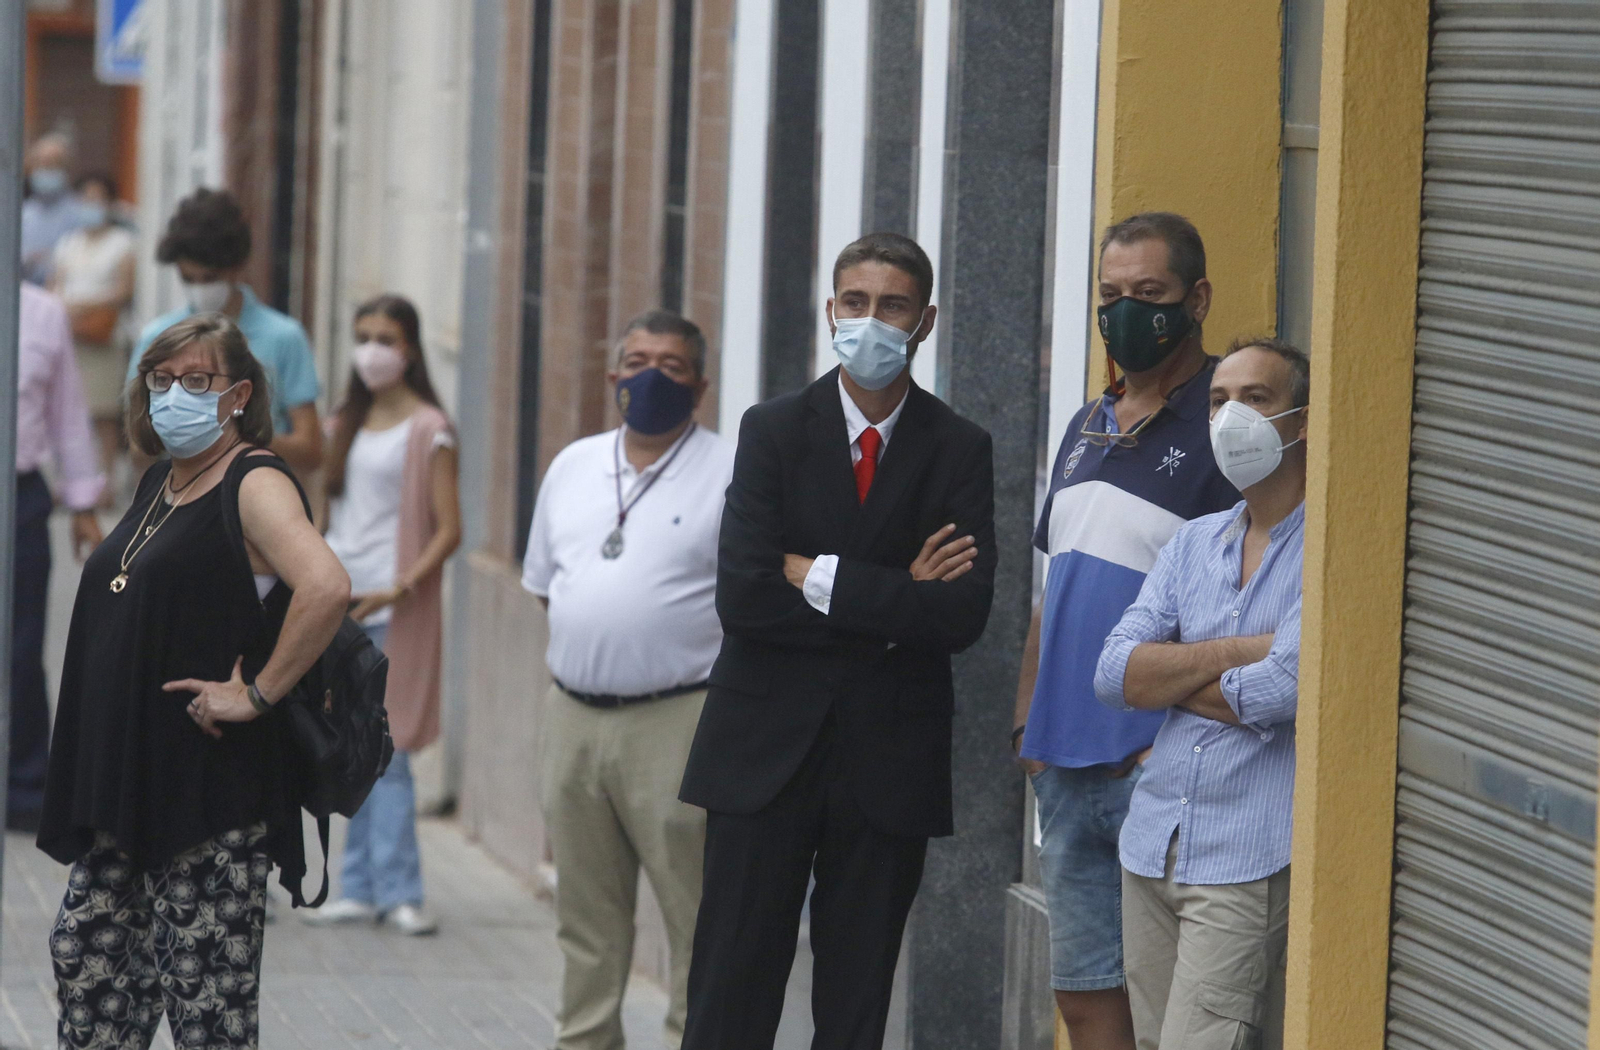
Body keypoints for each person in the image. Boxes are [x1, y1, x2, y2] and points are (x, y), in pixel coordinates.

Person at [678, 232, 996, 1050]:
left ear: (925, 321)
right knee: (730, 988)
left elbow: (960, 615)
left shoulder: (960, 447)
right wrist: (895, 600)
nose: (871, 321)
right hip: (761, 751)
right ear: (830, 311)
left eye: (893, 306)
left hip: (887, 761)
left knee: (856, 1003)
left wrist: (815, 574)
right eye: (856, 302)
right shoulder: (773, 430)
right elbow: (745, 597)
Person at [39, 313, 350, 1050]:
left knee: (208, 1015)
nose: (175, 393)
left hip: (204, 800)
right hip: (124, 792)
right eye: (162, 379)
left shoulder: (253, 480)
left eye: (198, 380)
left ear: (238, 395)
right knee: (88, 972)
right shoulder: (162, 479)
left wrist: (257, 693)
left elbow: (327, 586)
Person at [1010, 212, 1240, 1049]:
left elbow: (1248, 597)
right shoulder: (1086, 426)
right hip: (1063, 767)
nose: (1126, 312)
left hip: (1157, 766)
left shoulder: (1227, 428)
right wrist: (1026, 728)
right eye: (1111, 295)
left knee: (1166, 1007)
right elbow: (1056, 586)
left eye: (1150, 292)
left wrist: (1158, 746)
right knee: (1086, 1001)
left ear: (1197, 300)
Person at [521, 309, 734, 1050]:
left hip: (677, 719)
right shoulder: (573, 466)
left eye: (671, 367)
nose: (650, 378)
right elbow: (547, 586)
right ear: (612, 377)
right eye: (637, 362)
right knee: (585, 918)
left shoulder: (730, 471)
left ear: (700, 387)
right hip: (573, 716)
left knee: (694, 913)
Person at [1093, 338, 1309, 1050]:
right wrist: (1236, 651)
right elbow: (1115, 674)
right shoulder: (1193, 543)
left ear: (1303, 421)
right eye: (1219, 401)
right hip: (1152, 844)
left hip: (1243, 858)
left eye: (1256, 399)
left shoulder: (1325, 547)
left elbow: (1282, 691)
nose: (1232, 417)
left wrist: (1169, 679)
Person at [300, 295, 461, 936]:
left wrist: (401, 588)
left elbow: (449, 528)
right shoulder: (343, 422)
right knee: (350, 747)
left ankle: (400, 891)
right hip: (339, 602)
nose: (372, 350)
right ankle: (359, 888)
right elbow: (324, 515)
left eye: (386, 338)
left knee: (388, 751)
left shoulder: (430, 428)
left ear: (411, 350)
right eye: (363, 335)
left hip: (393, 607)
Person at [127, 188, 324, 473]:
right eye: (188, 278)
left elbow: (310, 451)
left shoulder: (284, 337)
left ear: (237, 266)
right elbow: (138, 448)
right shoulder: (157, 337)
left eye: (210, 278)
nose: (199, 288)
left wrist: (234, 434)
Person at [12, 284, 105, 832]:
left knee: (22, 647)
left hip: (20, 494)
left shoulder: (42, 312)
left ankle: (25, 785)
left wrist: (83, 503)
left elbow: (67, 413)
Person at [51, 172, 138, 495]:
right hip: (69, 335)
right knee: (65, 409)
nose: (90, 205)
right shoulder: (68, 242)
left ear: (110, 203)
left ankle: (106, 482)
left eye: (97, 199)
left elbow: (125, 290)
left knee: (103, 412)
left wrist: (86, 304)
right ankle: (67, 480)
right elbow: (55, 284)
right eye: (85, 199)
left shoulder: (122, 242)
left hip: (103, 336)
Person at [20, 132, 90, 287]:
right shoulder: (22, 213)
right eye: (40, 164)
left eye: (52, 164)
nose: (45, 169)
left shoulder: (81, 213)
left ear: (68, 168)